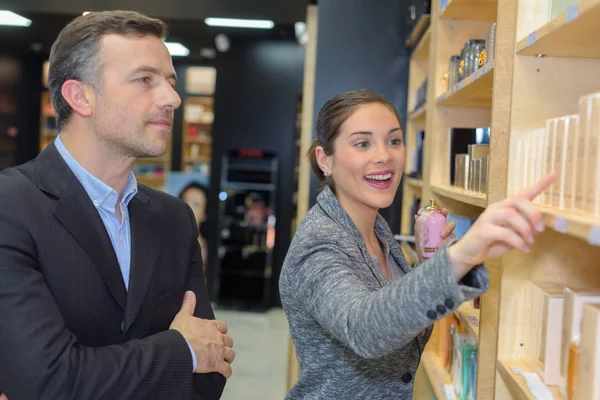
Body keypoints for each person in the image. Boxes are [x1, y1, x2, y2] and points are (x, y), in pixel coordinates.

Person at [0, 11, 234, 399]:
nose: (171, 98)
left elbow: (212, 372)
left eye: (170, 81)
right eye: (145, 80)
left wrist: (91, 371)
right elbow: (48, 381)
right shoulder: (12, 207)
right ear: (80, 96)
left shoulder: (175, 219)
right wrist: (181, 350)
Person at [279, 89, 555, 399]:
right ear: (324, 160)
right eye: (362, 143)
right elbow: (365, 328)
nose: (384, 155)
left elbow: (399, 315)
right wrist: (461, 255)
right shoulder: (318, 244)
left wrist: (431, 267)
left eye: (394, 140)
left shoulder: (377, 229)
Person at [179, 182, 209, 269]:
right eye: (184, 200)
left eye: (196, 204)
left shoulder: (202, 250)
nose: (187, 207)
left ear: (204, 214)